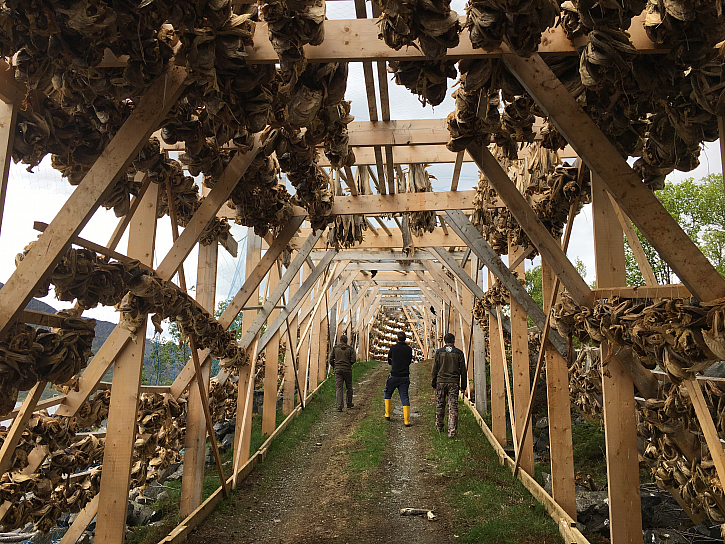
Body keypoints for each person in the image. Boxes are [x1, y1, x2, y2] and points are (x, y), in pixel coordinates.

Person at [431, 333, 466, 438]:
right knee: (453, 407)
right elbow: (463, 371)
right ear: (454, 341)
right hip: (453, 383)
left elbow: (434, 369)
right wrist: (463, 386)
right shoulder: (459, 353)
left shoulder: (439, 352)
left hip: (441, 382)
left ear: (444, 341)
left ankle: (439, 426)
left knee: (440, 403)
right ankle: (452, 431)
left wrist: (434, 382)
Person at [384, 331, 413, 427]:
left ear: (397, 339)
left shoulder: (393, 348)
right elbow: (409, 361)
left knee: (387, 392)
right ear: (405, 339)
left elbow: (389, 359)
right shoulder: (409, 349)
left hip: (394, 375)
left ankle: (387, 414)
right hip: (405, 376)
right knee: (404, 397)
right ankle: (406, 421)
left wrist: (393, 364)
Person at [328, 334, 357, 412]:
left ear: (340, 340)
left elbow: (330, 359)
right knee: (349, 387)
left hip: (338, 370)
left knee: (339, 388)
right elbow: (353, 359)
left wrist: (335, 366)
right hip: (347, 370)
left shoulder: (335, 348)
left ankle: (339, 406)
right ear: (347, 341)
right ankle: (349, 403)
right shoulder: (350, 349)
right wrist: (348, 364)